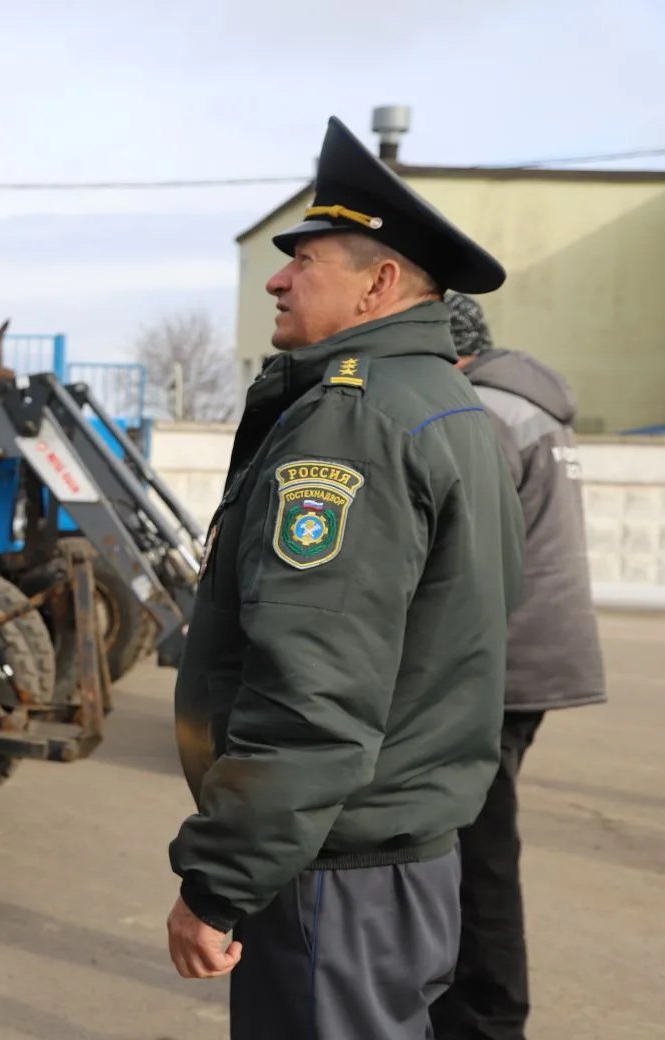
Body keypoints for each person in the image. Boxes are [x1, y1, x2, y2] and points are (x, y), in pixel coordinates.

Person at [163, 115, 526, 1039]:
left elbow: (313, 692)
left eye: (308, 259)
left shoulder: (351, 425)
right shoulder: (449, 407)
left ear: (381, 285)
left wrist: (217, 883)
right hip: (407, 859)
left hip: (338, 870)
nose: (279, 277)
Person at [429, 292, 606, 1040]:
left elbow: (467, 553)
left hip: (501, 662)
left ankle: (487, 1017)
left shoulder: (484, 412)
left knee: (479, 854)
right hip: (537, 655)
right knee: (479, 845)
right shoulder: (532, 402)